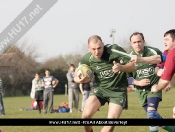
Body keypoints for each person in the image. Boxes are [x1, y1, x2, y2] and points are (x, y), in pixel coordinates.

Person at [74, 35, 136, 132]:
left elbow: (133, 66)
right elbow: (76, 77)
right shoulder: (87, 58)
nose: (97, 51)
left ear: (103, 44)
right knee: (85, 116)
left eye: (99, 48)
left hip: (117, 91)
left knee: (110, 125)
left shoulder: (114, 50)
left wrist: (121, 67)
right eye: (93, 49)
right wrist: (80, 80)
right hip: (100, 89)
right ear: (88, 48)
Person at [128, 32, 174, 132]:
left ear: (144, 41)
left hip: (154, 88)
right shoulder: (128, 57)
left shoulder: (154, 51)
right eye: (134, 42)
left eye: (139, 41)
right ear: (131, 44)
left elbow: (166, 66)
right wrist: (137, 82)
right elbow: (127, 78)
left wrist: (166, 80)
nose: (137, 44)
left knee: (152, 114)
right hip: (140, 92)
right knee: (153, 118)